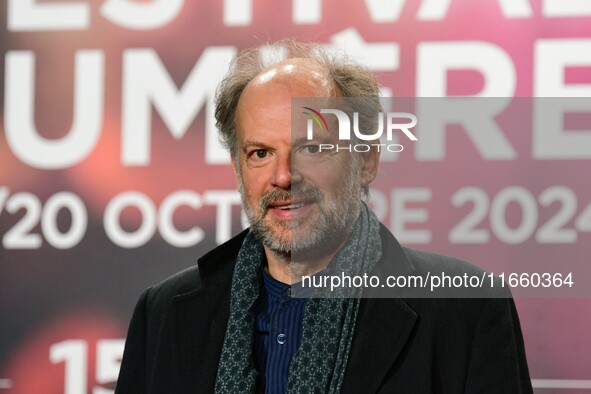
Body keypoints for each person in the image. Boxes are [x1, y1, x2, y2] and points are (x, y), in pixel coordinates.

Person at [115, 39, 533, 394]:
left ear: (366, 159)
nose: (283, 176)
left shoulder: (466, 308)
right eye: (260, 153)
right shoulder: (165, 313)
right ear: (237, 167)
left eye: (312, 149)